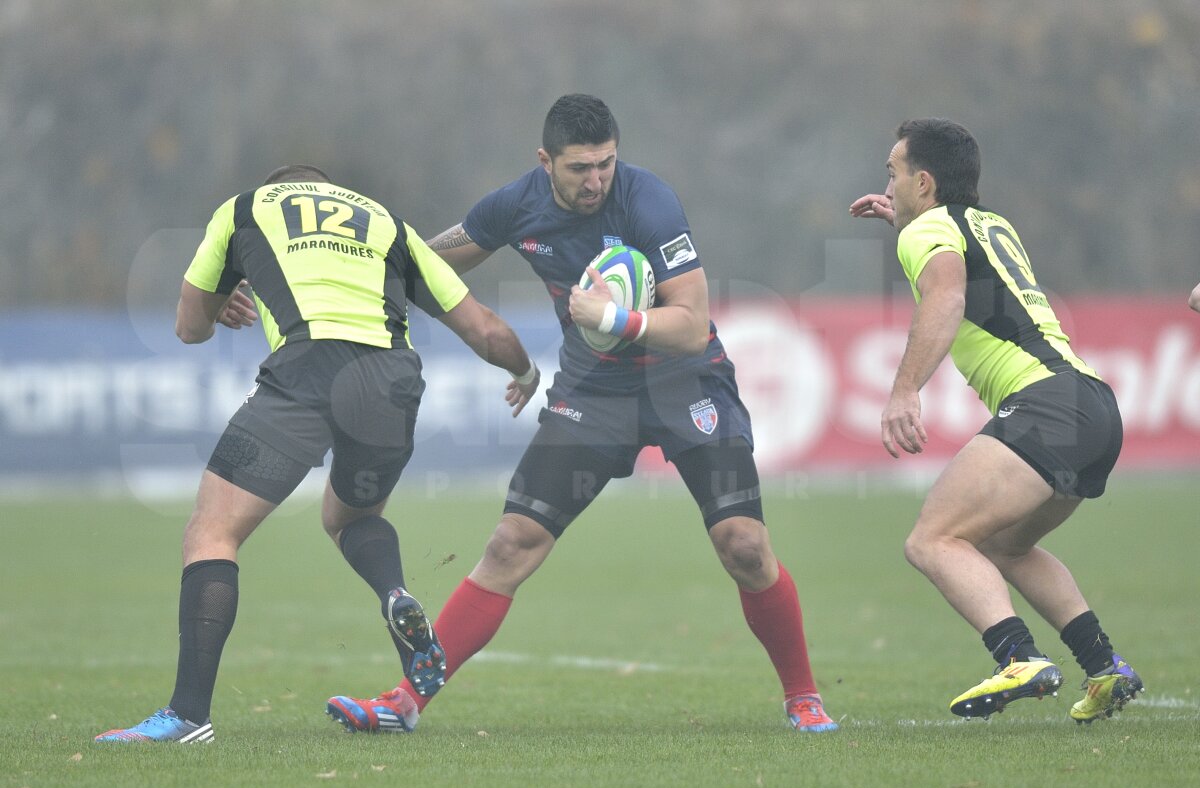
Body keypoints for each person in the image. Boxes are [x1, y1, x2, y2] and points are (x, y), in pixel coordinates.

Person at [327, 94, 839, 733]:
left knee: (744, 545)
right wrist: (311, 276)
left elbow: (692, 325)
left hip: (687, 385)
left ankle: (803, 697)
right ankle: (405, 702)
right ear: (545, 162)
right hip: (594, 397)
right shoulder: (514, 206)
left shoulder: (649, 202)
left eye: (606, 164)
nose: (596, 180)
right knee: (511, 543)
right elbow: (418, 264)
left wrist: (615, 318)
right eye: (579, 168)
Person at [95, 164, 540, 742]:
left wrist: (219, 303)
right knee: (349, 517)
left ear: (282, 184)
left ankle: (187, 714)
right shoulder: (385, 222)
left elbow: (187, 327)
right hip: (391, 381)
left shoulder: (245, 208)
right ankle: (395, 593)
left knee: (212, 533)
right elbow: (485, 330)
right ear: (329, 188)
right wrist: (525, 370)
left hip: (306, 374)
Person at [849, 119, 1143, 722]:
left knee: (932, 540)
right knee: (1006, 545)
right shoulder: (987, 222)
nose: (889, 181)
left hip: (1045, 404)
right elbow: (961, 264)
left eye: (894, 172)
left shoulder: (929, 227)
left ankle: (1017, 655)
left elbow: (947, 297)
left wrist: (904, 390)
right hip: (1093, 404)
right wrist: (906, 220)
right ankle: (1105, 666)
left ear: (923, 181)